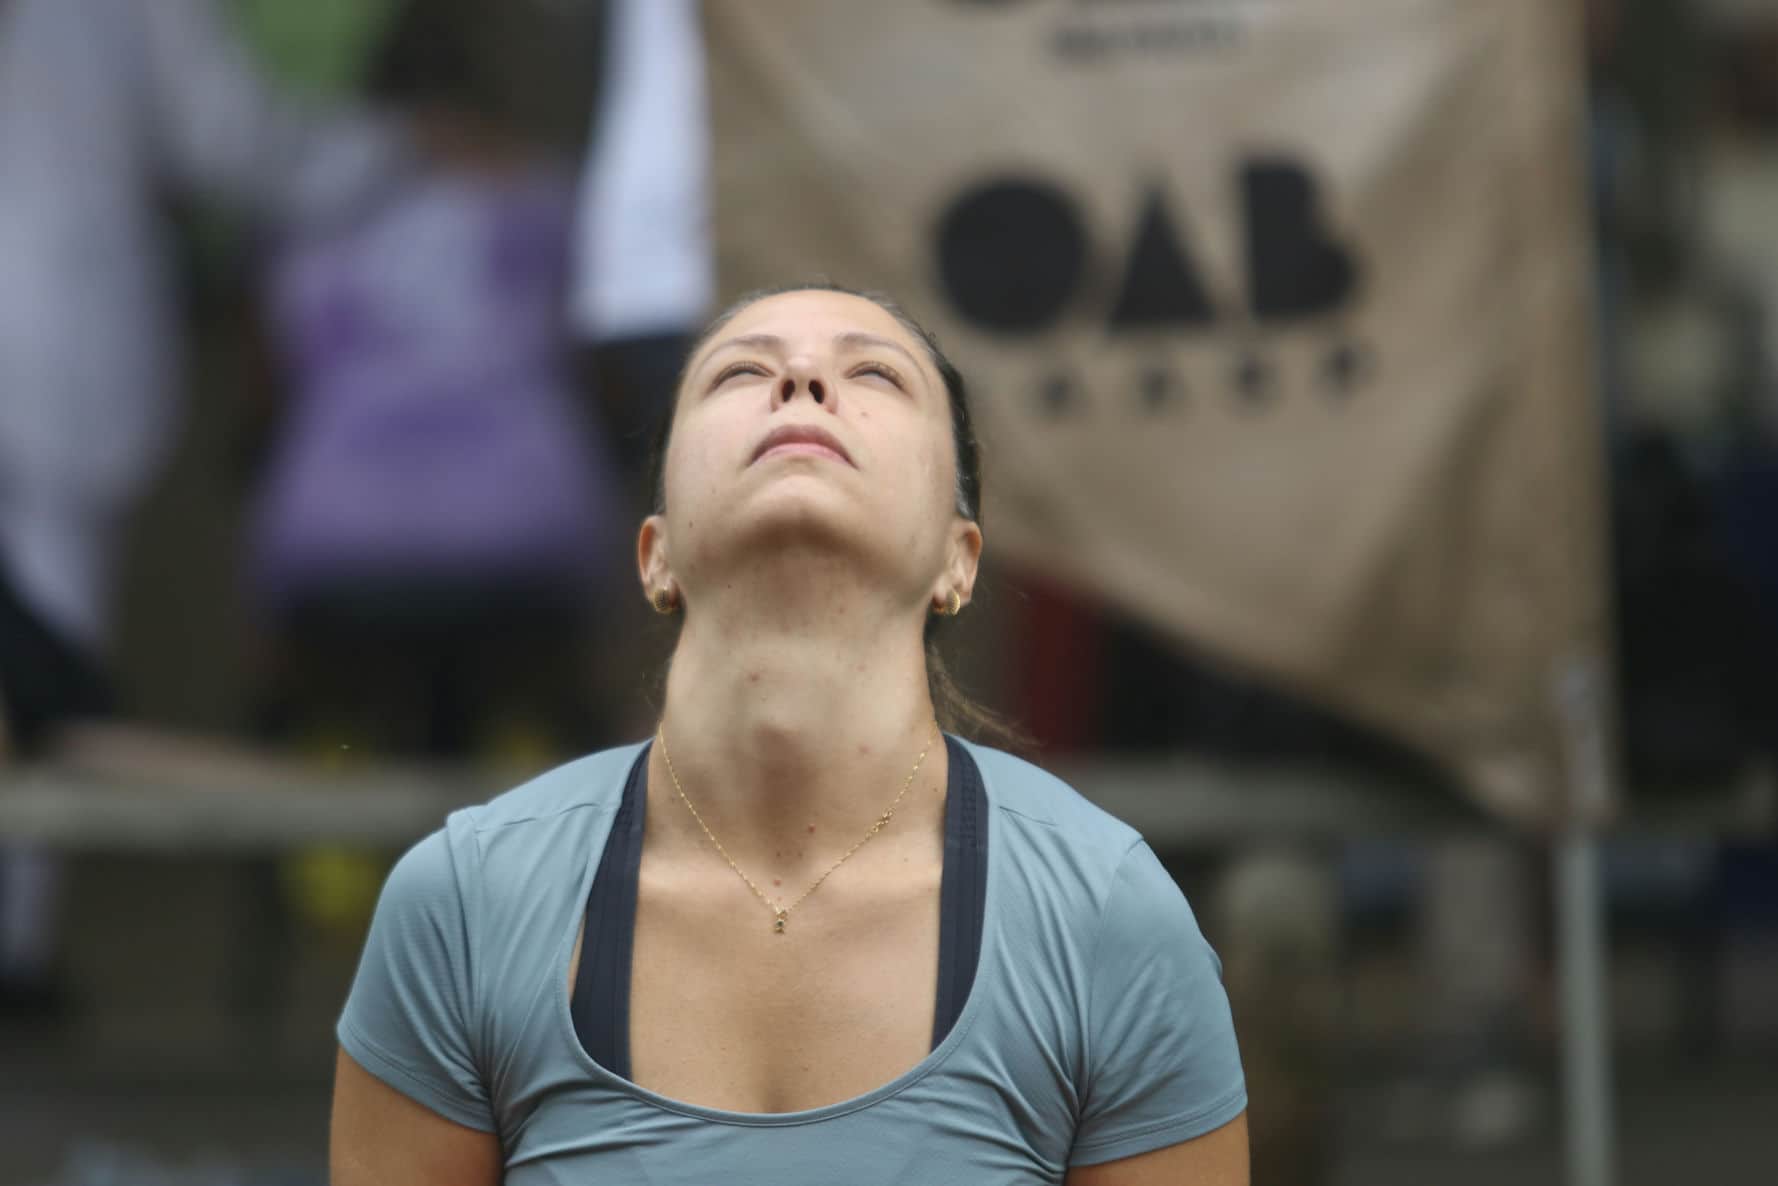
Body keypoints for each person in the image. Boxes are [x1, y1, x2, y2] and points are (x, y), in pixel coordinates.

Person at [329, 285, 1249, 1184]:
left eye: (876, 375)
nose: (802, 381)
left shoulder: (1108, 918)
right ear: (655, 555)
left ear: (957, 560)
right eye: (739, 373)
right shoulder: (466, 904)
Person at [0, 0, 411, 1014]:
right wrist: (401, 153)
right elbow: (227, 134)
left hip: (46, 360)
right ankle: (15, 953)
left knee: (38, 678)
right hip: (46, 361)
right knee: (42, 680)